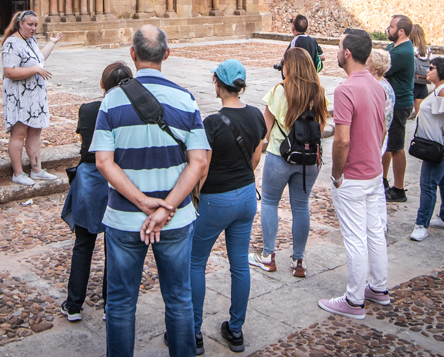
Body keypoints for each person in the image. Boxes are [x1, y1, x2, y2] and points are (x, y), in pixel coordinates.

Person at [92, 26, 209, 357]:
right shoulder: (185, 99)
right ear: (166, 54)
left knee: (120, 302)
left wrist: (144, 202)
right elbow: (199, 162)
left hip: (125, 218)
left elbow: (103, 162)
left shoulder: (112, 100)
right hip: (175, 218)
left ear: (133, 54)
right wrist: (166, 207)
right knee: (179, 299)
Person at [191, 60, 267, 354]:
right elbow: (256, 158)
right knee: (239, 265)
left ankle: (193, 332)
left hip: (215, 199)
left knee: (195, 262)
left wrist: (197, 196)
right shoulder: (256, 115)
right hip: (246, 195)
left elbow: (203, 168)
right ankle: (236, 330)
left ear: (218, 84)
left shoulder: (211, 123)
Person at [318, 29, 389, 320]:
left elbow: (342, 140)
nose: (336, 52)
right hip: (373, 172)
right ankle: (379, 287)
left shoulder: (345, 90)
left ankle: (354, 300)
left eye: (338, 47)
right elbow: (382, 128)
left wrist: (337, 174)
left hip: (354, 176)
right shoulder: (377, 85)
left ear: (347, 53)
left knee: (355, 237)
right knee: (375, 232)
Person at [60, 61, 133, 323]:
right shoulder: (130, 113)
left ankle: (74, 304)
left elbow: (85, 141)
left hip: (91, 179)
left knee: (83, 243)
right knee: (114, 245)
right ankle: (109, 303)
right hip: (117, 179)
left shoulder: (89, 109)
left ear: (102, 84)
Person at [248, 47, 330, 278]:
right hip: (309, 160)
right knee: (301, 206)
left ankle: (268, 256)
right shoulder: (319, 93)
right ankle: (298, 260)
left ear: (289, 67)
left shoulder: (279, 91)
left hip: (279, 156)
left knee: (270, 202)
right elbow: (321, 127)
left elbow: (265, 129)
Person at [1, 10, 63, 186]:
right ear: (20, 24)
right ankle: (18, 173)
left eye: (36, 25)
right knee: (19, 133)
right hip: (20, 97)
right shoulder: (11, 43)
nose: (34, 28)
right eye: (30, 24)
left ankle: (36, 170)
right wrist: (35, 70)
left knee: (35, 132)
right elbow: (9, 71)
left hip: (35, 96)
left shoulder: (30, 40)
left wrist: (52, 43)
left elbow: (39, 59)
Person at [409, 57, 444, 242]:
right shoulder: (443, 89)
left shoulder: (443, 90)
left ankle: (421, 224)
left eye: (432, 68)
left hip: (438, 147)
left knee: (428, 184)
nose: (428, 70)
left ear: (441, 71)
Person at [383, 14, 415, 202]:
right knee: (387, 145)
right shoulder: (394, 47)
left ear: (401, 31)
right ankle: (383, 179)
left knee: (396, 146)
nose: (388, 29)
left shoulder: (402, 52)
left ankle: (399, 188)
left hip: (399, 104)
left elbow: (379, 67)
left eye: (392, 26)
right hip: (392, 102)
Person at [365, 49, 394, 233]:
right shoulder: (385, 85)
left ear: (375, 68)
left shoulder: (378, 88)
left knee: (374, 184)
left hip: (376, 138)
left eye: (367, 62)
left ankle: (378, 223)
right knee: (376, 183)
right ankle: (380, 222)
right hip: (381, 136)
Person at [410, 24, 432, 118]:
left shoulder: (410, 49)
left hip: (413, 81)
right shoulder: (427, 50)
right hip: (423, 82)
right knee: (420, 113)